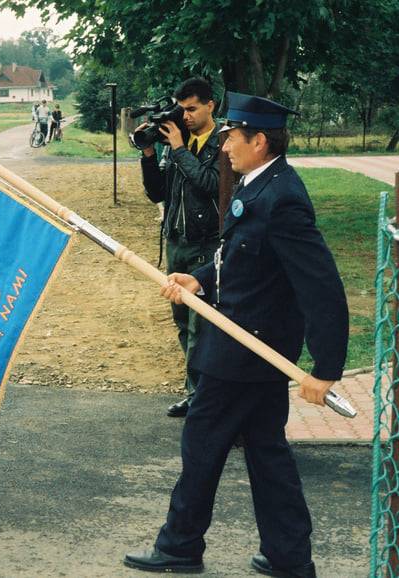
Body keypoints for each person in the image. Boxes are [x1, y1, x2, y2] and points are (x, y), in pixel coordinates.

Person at [123, 92, 349, 577]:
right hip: (250, 346)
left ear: (259, 140)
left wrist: (326, 369)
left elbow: (321, 285)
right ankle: (289, 557)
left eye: (232, 138)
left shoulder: (282, 197)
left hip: (243, 350)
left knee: (202, 444)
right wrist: (201, 279)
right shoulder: (261, 184)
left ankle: (180, 547)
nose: (224, 146)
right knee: (267, 451)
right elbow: (243, 258)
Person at [140, 77, 220, 418]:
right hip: (177, 242)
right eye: (182, 109)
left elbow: (210, 184)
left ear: (210, 106)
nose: (185, 116)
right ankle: (196, 393)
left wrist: (179, 150)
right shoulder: (177, 144)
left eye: (192, 109)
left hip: (206, 244)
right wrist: (148, 153)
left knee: (201, 327)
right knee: (183, 323)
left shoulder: (222, 142)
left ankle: (200, 398)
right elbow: (157, 193)